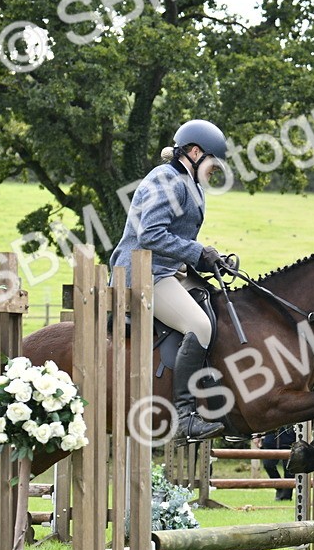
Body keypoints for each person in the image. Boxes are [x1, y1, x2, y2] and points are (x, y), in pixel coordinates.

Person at [110, 119, 235, 441]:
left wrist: (211, 259)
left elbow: (176, 237)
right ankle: (183, 417)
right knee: (200, 326)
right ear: (194, 153)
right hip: (143, 273)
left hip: (168, 271)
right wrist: (196, 252)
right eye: (211, 163)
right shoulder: (167, 180)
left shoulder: (187, 182)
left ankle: (219, 407)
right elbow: (150, 234)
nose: (213, 171)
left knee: (220, 309)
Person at [260, 425, 297, 501]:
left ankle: (286, 495)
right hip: (270, 441)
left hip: (289, 441)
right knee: (268, 465)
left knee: (289, 469)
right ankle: (279, 488)